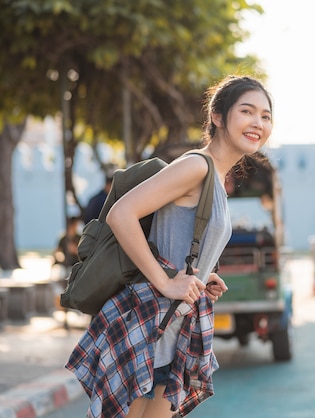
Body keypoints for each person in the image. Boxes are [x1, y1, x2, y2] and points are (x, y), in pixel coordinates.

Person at [66, 75, 273, 418]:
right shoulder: (196, 166)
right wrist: (166, 282)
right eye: (247, 111)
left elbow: (180, 241)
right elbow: (122, 214)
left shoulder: (217, 181)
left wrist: (202, 277)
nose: (258, 123)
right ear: (218, 116)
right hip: (149, 322)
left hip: (174, 327)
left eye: (266, 116)